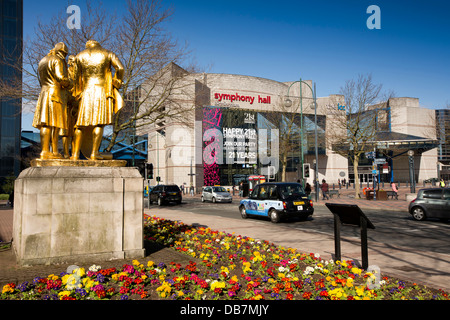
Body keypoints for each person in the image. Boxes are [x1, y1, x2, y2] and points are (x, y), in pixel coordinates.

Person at [70, 39, 124, 160]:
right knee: (99, 123)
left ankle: (74, 154)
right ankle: (95, 153)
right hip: (102, 91)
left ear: (87, 46)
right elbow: (120, 68)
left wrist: (77, 94)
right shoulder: (108, 53)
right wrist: (117, 81)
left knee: (80, 125)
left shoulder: (80, 55)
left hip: (86, 92)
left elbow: (76, 77)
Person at [32, 42, 71, 160]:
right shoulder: (57, 60)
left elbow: (41, 79)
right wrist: (69, 83)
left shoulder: (43, 60)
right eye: (64, 53)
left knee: (46, 123)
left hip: (44, 92)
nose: (65, 56)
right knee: (55, 124)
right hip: (55, 93)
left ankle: (50, 151)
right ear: (61, 52)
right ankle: (49, 151)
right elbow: (60, 77)